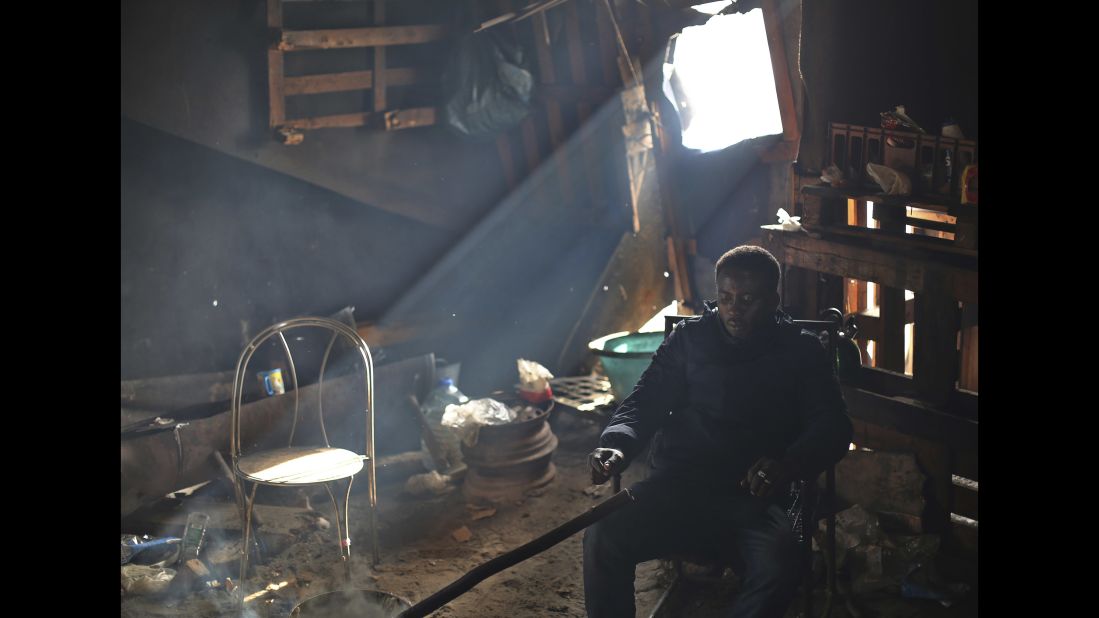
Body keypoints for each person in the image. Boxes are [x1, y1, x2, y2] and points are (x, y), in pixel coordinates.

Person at [583, 245, 853, 618]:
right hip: (682, 485)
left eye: (747, 300)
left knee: (783, 561)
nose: (734, 310)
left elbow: (834, 425)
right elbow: (646, 401)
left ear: (774, 299)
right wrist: (616, 445)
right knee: (603, 534)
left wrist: (789, 465)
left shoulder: (801, 351)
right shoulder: (690, 340)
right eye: (725, 298)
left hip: (763, 497)